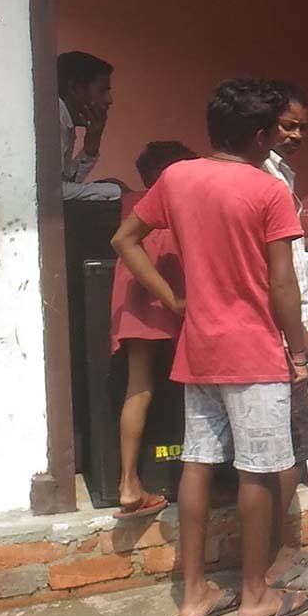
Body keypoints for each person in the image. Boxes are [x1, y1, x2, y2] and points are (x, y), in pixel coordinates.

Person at [111, 78, 308, 616]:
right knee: (259, 469)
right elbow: (280, 284)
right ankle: (255, 595)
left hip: (198, 346)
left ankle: (194, 593)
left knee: (197, 463)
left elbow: (125, 240)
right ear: (259, 135)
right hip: (254, 350)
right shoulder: (268, 190)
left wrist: (173, 298)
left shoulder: (177, 177)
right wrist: (298, 345)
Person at [261, 81, 308, 597]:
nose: (296, 135)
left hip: (290, 326)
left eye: (302, 127)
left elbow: (281, 243)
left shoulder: (280, 173)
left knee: (291, 447)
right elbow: (272, 267)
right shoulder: (260, 176)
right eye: (288, 126)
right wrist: (295, 338)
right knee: (282, 452)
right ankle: (275, 561)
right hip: (280, 333)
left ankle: (282, 552)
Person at [110, 141, 198, 518]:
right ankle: (205, 477)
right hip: (175, 296)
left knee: (139, 388)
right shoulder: (180, 205)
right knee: (195, 386)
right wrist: (174, 300)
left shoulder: (131, 203)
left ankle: (128, 482)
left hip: (135, 301)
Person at [58, 51, 121, 200]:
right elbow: (52, 192)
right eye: (102, 91)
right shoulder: (52, 119)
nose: (109, 100)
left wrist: (90, 147)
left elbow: (68, 184)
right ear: (75, 89)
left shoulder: (66, 121)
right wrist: (115, 191)